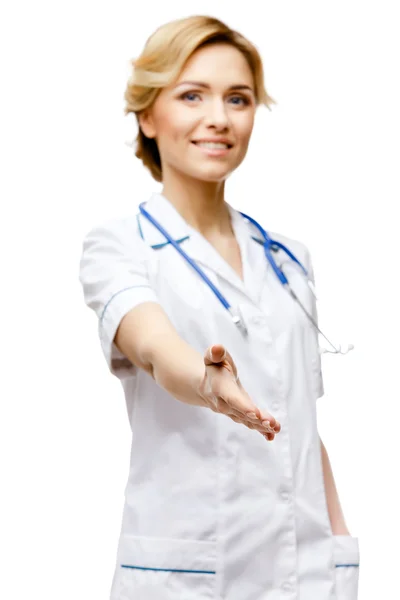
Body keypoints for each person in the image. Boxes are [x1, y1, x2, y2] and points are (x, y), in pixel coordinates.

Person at [79, 14, 360, 600]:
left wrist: (340, 546)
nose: (219, 118)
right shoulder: (120, 243)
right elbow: (153, 347)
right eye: (191, 95)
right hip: (189, 574)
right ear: (148, 115)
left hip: (303, 571)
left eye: (239, 98)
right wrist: (204, 382)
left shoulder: (289, 256)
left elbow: (302, 424)